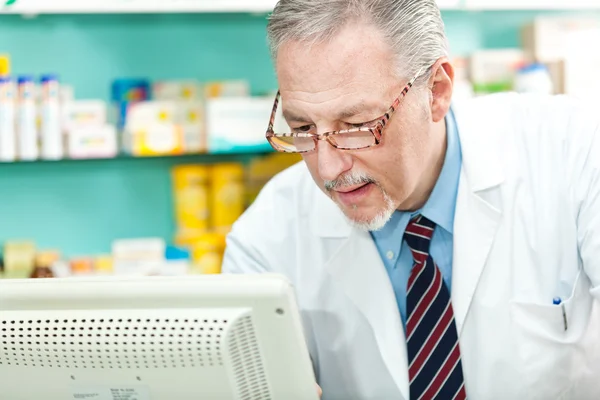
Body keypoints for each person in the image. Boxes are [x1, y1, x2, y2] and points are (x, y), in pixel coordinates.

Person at [222, 0, 600, 399]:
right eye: (302, 128)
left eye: (356, 126)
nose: (328, 168)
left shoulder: (570, 150)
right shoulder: (267, 235)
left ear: (436, 91)